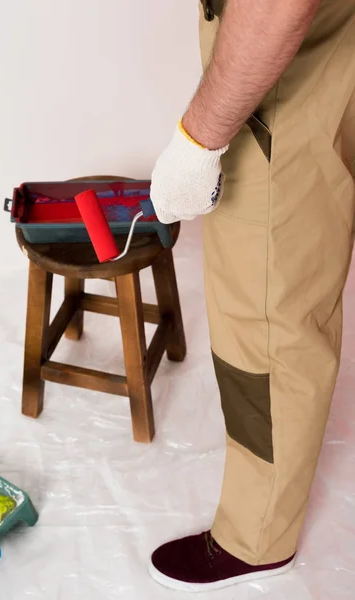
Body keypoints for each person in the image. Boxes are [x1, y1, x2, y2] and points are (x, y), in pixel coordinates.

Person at [148, 0, 355, 592]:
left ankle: (258, 538)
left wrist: (198, 141)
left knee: (264, 323)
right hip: (326, 48)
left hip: (284, 84)